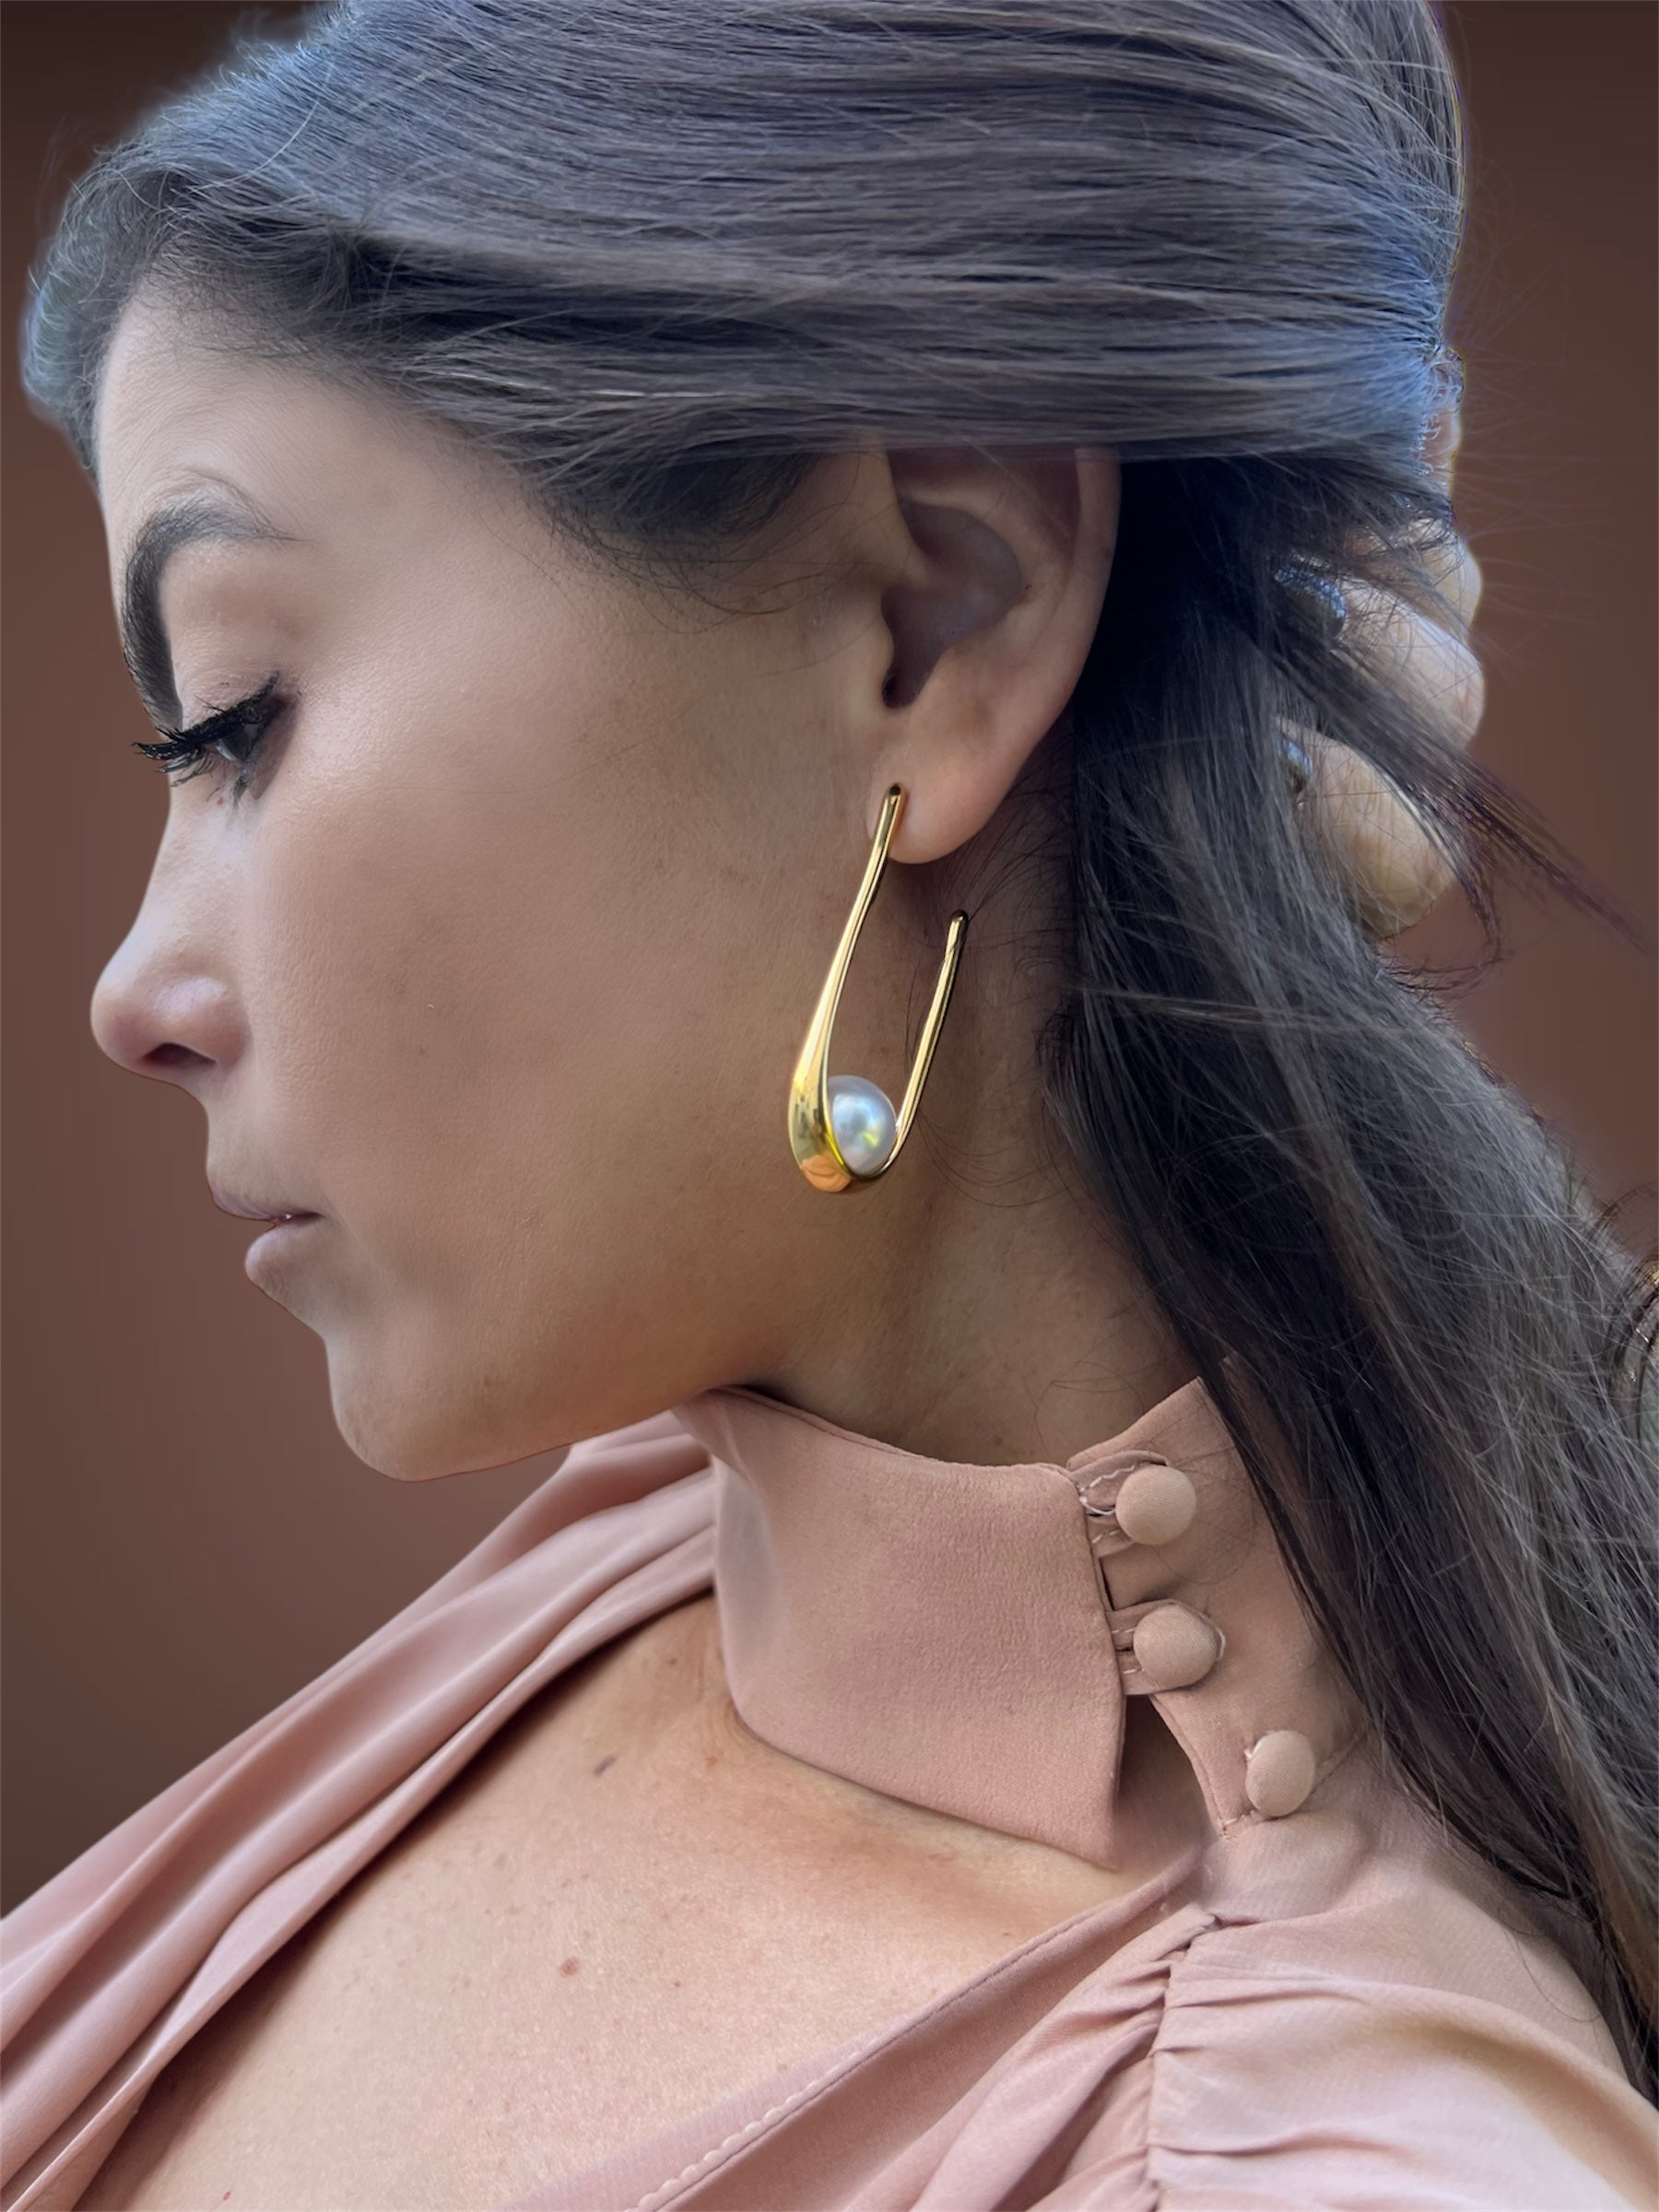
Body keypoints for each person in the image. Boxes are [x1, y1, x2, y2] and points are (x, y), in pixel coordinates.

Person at [4, 1, 1654, 2205]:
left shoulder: (1300, 2160)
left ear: (934, 621)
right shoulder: (647, 1543)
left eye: (238, 718)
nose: (136, 994)